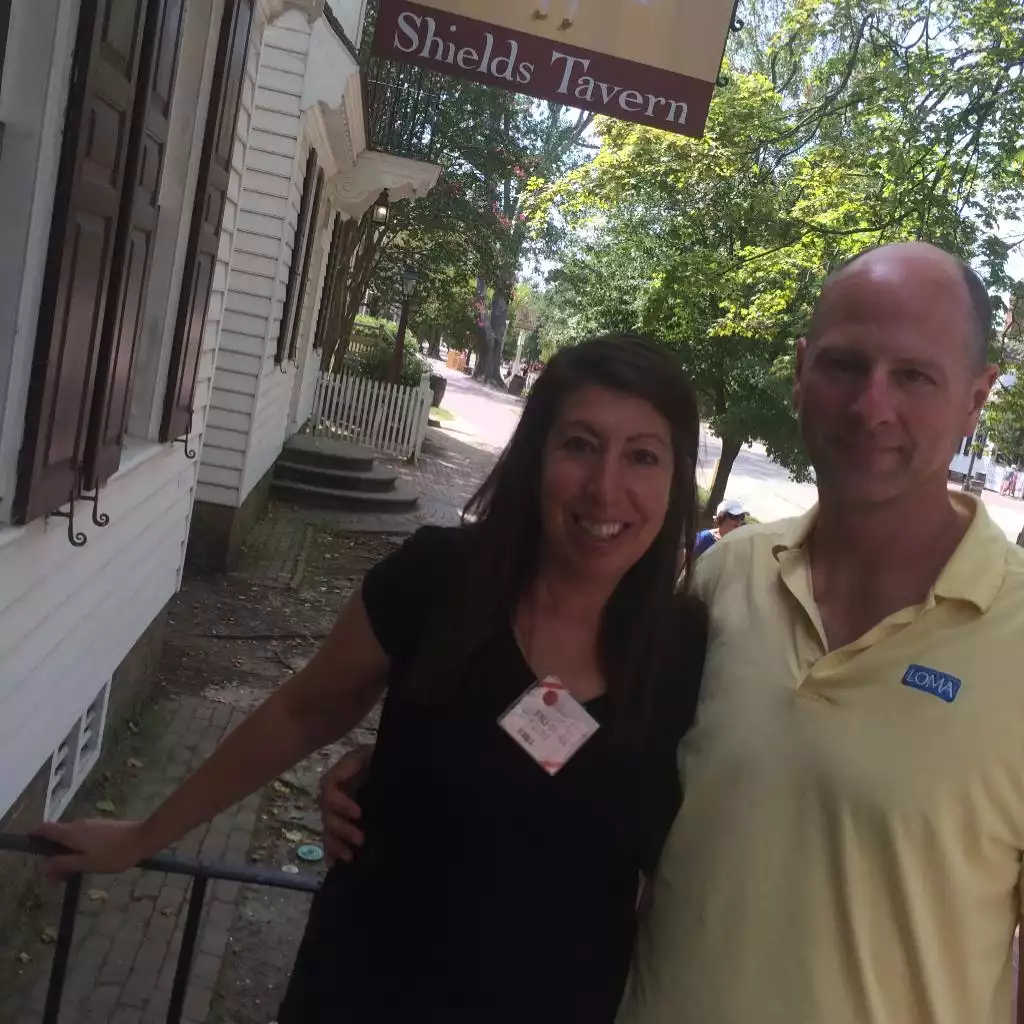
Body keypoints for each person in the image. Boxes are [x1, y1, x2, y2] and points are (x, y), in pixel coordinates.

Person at [37, 336, 709, 1024]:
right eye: (580, 445)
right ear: (536, 455)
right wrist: (144, 836)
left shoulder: (691, 652)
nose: (605, 489)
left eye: (642, 456)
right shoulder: (437, 581)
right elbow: (302, 713)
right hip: (362, 991)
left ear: (676, 478)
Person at [618, 241, 1024, 1024]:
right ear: (802, 370)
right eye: (845, 365)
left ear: (977, 397)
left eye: (914, 376)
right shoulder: (723, 580)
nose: (872, 407)